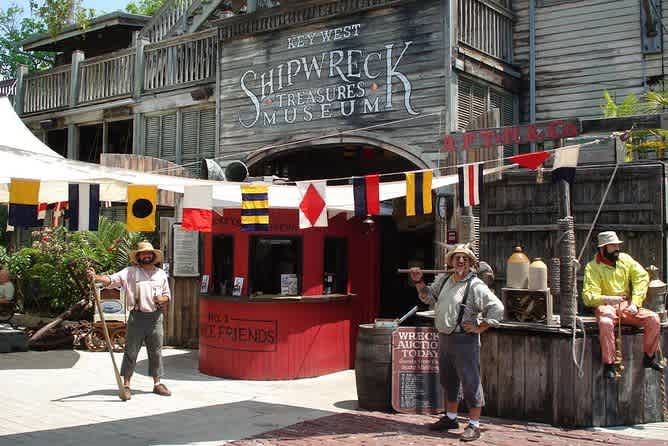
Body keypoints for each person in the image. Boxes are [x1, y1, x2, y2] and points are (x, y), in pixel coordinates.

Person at [409, 244, 504, 442]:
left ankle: (474, 425)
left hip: (465, 340)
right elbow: (428, 298)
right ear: (450, 261)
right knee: (448, 380)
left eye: (465, 259)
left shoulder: (476, 285)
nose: (460, 261)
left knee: (471, 382)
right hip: (445, 338)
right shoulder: (444, 280)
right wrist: (419, 282)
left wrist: (481, 326)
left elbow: (497, 308)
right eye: (457, 258)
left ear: (470, 263)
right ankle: (451, 418)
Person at [88, 241, 172, 398]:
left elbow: (168, 296)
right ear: (138, 256)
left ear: (153, 256)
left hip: (156, 317)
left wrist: (162, 298)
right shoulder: (130, 272)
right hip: (136, 317)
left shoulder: (160, 274)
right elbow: (111, 280)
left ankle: (157, 384)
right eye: (142, 253)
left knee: (156, 352)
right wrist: (96, 277)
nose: (146, 256)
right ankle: (126, 385)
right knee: (131, 352)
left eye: (148, 253)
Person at [582, 231, 664, 379]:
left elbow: (642, 277)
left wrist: (635, 303)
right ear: (602, 249)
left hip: (626, 306)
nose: (617, 249)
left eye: (617, 245)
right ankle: (609, 365)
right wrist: (610, 299)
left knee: (653, 319)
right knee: (606, 322)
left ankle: (649, 358)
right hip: (605, 306)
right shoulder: (592, 267)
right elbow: (588, 297)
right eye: (612, 246)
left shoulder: (625, 259)